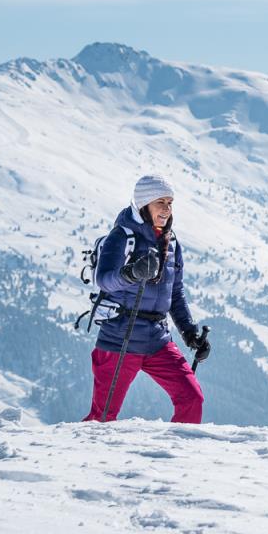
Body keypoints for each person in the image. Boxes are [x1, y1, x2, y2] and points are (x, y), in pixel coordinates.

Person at [83, 175, 209, 423]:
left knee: (192, 398)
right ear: (143, 205)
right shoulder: (121, 236)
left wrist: (189, 332)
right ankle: (85, 461)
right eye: (159, 202)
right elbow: (105, 279)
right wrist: (132, 273)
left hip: (157, 340)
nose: (166, 209)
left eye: (170, 202)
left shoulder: (171, 242)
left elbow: (175, 292)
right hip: (119, 339)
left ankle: (175, 458)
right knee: (102, 418)